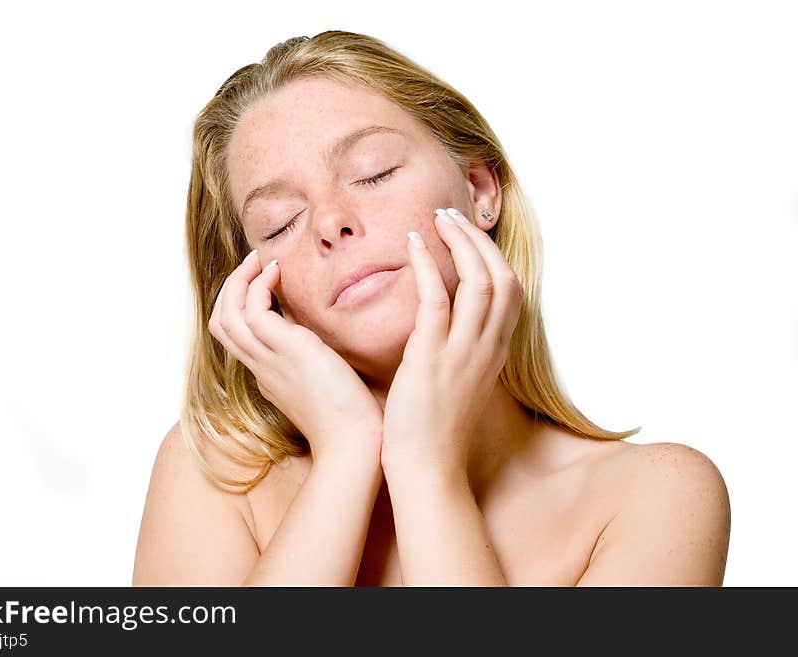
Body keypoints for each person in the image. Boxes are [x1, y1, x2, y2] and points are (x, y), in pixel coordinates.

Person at [132, 30, 731, 586]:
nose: (330, 222)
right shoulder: (214, 474)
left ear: (479, 192)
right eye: (280, 222)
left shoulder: (655, 495)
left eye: (374, 172)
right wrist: (347, 452)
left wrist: (426, 468)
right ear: (255, 287)